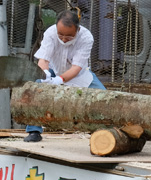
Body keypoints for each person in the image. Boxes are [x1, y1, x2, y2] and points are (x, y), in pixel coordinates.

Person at [24, 10, 105, 142]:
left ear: (77, 30)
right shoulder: (50, 33)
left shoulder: (86, 37)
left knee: (104, 96)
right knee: (35, 88)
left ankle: (106, 132)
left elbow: (76, 68)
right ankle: (34, 131)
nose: (63, 38)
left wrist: (60, 80)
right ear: (56, 27)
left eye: (69, 36)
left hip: (79, 74)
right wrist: (45, 75)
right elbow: (43, 60)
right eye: (60, 34)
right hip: (53, 70)